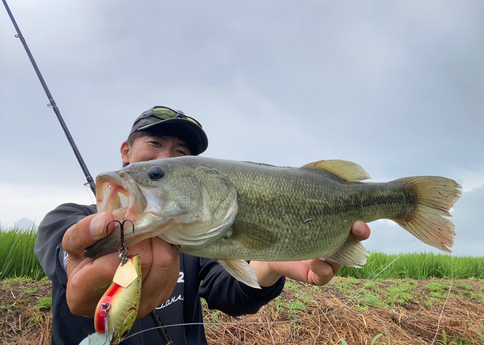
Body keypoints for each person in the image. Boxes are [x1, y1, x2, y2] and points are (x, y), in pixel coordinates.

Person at [35, 106, 371, 345]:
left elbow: (231, 295)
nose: (165, 157)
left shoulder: (194, 238)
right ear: (126, 151)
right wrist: (84, 261)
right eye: (154, 144)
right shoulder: (64, 218)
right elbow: (66, 255)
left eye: (181, 154)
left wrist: (269, 262)